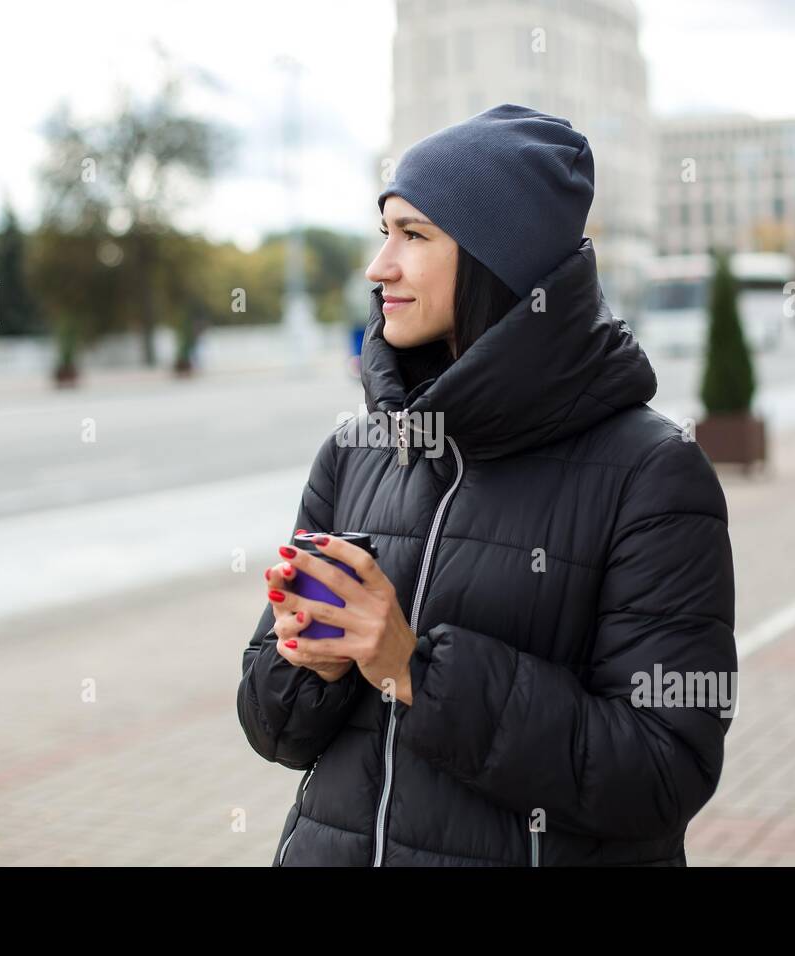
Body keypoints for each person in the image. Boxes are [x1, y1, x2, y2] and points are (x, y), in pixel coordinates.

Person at [236, 103, 737, 867]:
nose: (379, 268)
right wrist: (309, 664)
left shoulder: (652, 473)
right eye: (384, 233)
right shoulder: (357, 449)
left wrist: (415, 671)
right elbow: (276, 733)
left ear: (499, 262)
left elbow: (663, 770)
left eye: (414, 235)